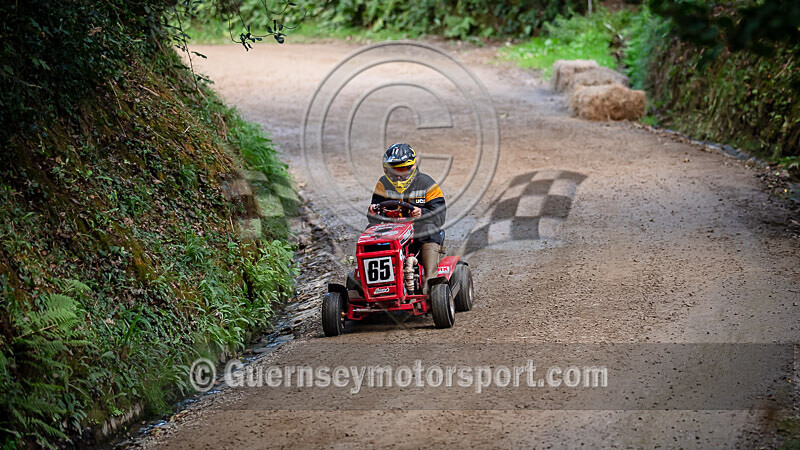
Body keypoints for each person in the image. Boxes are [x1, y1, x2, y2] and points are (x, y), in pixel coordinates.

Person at [367, 143, 446, 293]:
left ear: (412, 167)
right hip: (392, 233)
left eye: (402, 169)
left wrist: (421, 213)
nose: (398, 174)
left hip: (417, 236)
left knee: (429, 229)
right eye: (394, 169)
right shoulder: (382, 184)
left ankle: (429, 283)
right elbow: (374, 218)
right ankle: (371, 283)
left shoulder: (427, 184)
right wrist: (372, 213)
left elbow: (440, 216)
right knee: (369, 233)